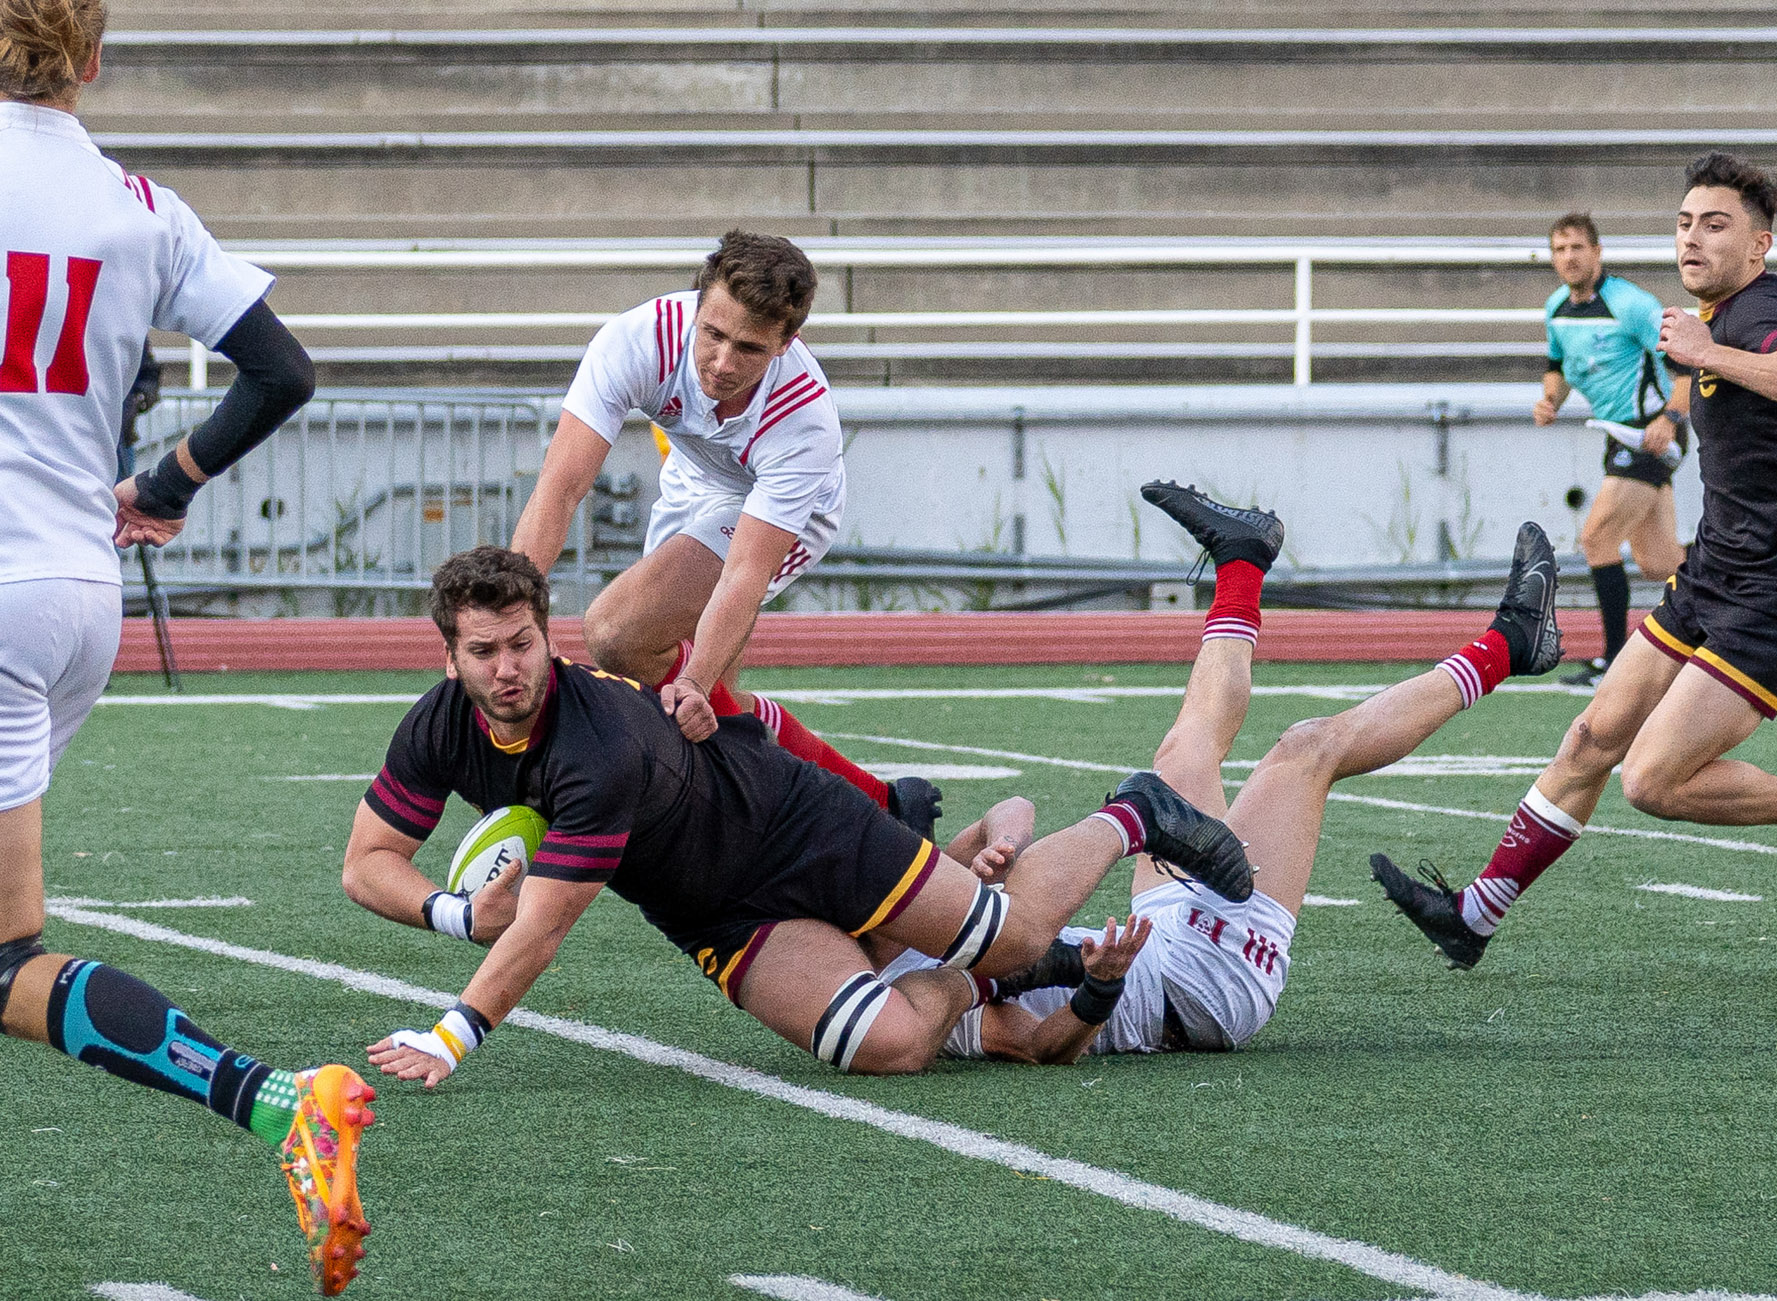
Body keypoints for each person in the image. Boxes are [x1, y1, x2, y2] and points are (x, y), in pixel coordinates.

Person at [342, 546, 1253, 1083]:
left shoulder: (596, 747)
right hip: (715, 909)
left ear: (548, 634)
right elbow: (367, 859)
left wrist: (451, 1034)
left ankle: (1137, 812)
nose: (508, 668)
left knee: (1013, 936)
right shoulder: (437, 727)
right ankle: (973, 982)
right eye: (484, 651)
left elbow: (541, 931)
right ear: (449, 655)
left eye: (523, 643)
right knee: (885, 1047)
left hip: (799, 826)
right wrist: (456, 913)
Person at [0, 5, 371, 1293]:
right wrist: (167, 477)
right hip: (74, 596)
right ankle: (275, 1106)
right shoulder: (141, 205)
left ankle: (278, 1103)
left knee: (4, 954)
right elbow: (280, 370)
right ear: (93, 59)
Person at [1374, 154, 1777, 971]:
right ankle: (1476, 913)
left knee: (1652, 780)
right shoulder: (1727, 309)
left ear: (1759, 246)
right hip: (1714, 574)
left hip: (1775, 600)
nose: (1692, 237)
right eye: (1684, 222)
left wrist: (1713, 357)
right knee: (1591, 735)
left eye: (1714, 224)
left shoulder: (1760, 309)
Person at [874, 484, 1566, 1061]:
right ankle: (1510, 644)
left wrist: (997, 835)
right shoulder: (915, 1000)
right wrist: (1100, 990)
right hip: (1202, 984)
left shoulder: (898, 921)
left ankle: (1241, 559)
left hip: (1163, 927)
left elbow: (999, 824)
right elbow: (1038, 1045)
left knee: (1186, 751)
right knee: (1306, 749)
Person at [507, 231, 939, 839]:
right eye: (713, 334)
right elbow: (560, 487)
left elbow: (744, 572)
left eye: (750, 348)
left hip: (786, 513)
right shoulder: (638, 340)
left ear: (788, 343)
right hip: (689, 483)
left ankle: (834, 813)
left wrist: (694, 682)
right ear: (696, 303)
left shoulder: (804, 417)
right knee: (708, 723)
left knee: (619, 636)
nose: (723, 363)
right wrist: (502, 617)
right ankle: (884, 805)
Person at [1537, 212, 1691, 688]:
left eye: (1578, 248)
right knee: (1660, 562)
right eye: (1560, 249)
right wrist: (1550, 399)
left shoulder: (1630, 304)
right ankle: (1740, 604)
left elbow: (1686, 367)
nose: (1569, 258)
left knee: (1597, 538)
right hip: (1617, 435)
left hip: (1652, 433)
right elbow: (1558, 364)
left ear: (1597, 253)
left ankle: (1614, 662)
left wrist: (1671, 419)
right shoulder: (1556, 307)